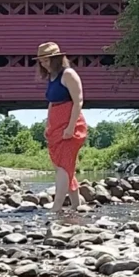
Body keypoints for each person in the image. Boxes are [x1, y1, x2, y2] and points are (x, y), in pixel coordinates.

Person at [36, 42, 88, 213]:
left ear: (57, 59)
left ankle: (57, 207)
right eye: (41, 61)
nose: (43, 64)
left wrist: (71, 127)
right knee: (63, 165)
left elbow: (78, 101)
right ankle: (76, 205)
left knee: (63, 166)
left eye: (46, 60)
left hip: (70, 125)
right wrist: (47, 124)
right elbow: (52, 102)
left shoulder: (69, 74)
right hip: (56, 126)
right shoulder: (52, 78)